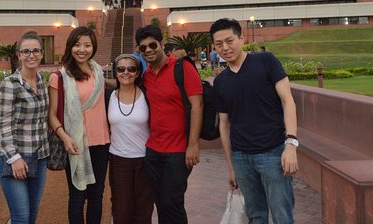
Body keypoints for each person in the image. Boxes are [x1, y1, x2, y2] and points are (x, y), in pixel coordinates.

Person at [209, 18, 298, 224]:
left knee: (282, 215)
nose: (225, 48)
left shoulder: (266, 61)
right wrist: (231, 166)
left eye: (230, 41)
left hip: (273, 152)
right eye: (219, 44)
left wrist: (291, 144)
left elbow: (288, 101)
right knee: (256, 216)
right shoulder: (221, 81)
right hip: (241, 158)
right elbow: (224, 125)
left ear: (242, 38)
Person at [135, 25, 203, 224]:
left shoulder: (182, 68)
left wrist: (193, 144)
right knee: (160, 202)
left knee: (172, 201)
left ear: (161, 44)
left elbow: (197, 106)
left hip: (179, 150)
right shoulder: (145, 76)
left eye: (152, 45)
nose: (148, 50)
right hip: (153, 150)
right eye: (143, 47)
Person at [48, 26, 110, 224]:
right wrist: (65, 137)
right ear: (70, 47)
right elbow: (51, 115)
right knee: (77, 196)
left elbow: (114, 88)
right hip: (75, 144)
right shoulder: (60, 76)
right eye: (77, 45)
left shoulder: (98, 71)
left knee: (96, 195)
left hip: (101, 141)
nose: (82, 49)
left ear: (93, 47)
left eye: (87, 45)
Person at [0, 31, 49, 224]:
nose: (31, 55)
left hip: (40, 157)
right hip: (16, 159)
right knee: (21, 218)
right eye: (26, 51)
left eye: (35, 51)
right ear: (19, 54)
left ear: (42, 54)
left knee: (31, 217)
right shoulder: (10, 84)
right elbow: (3, 124)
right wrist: (14, 158)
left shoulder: (43, 81)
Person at [107, 54, 154, 224]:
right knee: (121, 209)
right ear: (115, 72)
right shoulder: (108, 96)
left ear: (137, 72)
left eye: (131, 69)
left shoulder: (147, 95)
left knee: (144, 208)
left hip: (144, 159)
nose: (125, 72)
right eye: (121, 69)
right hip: (119, 159)